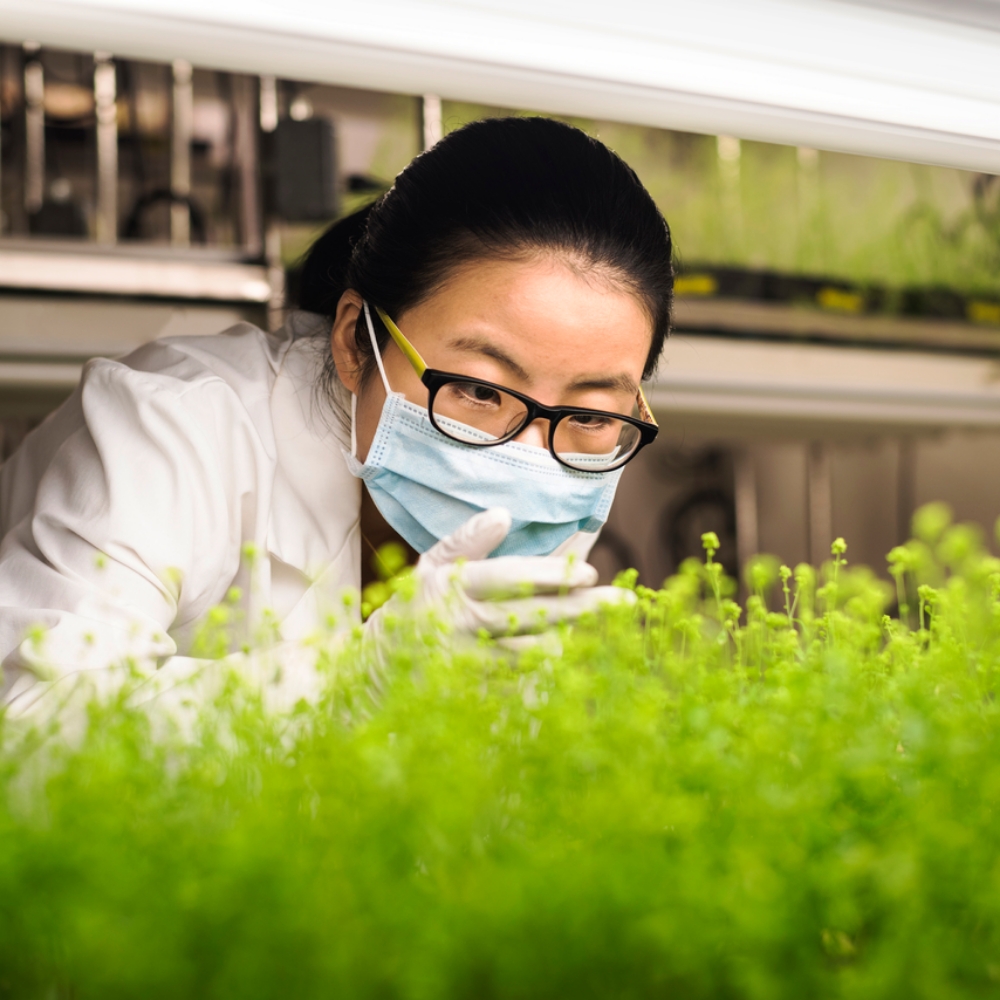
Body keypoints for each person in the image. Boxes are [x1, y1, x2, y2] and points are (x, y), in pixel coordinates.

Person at [0, 116, 674, 716]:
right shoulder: (173, 430)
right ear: (356, 340)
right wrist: (354, 684)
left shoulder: (562, 478)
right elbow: (29, 730)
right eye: (480, 390)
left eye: (591, 412)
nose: (528, 458)